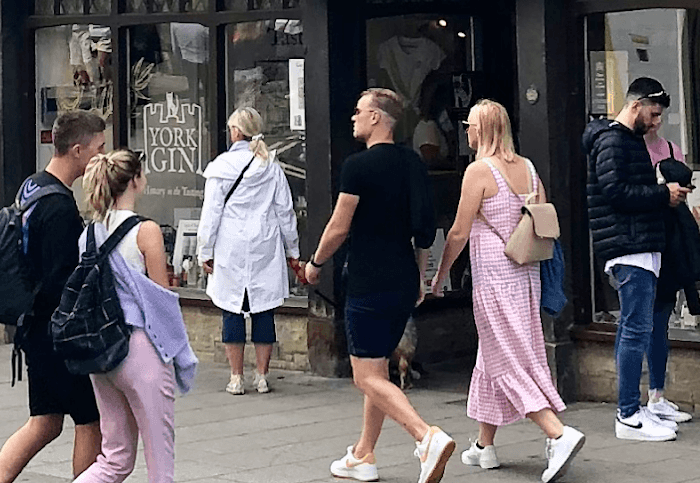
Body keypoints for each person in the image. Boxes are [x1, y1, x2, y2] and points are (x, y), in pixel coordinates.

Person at [429, 99, 586, 482]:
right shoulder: (530, 170)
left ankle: (558, 433)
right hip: (526, 275)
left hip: (494, 280)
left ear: (480, 130)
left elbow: (459, 231)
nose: (465, 131)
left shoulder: (478, 172)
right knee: (497, 354)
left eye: (469, 125)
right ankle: (484, 446)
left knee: (507, 361)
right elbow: (543, 218)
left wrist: (440, 275)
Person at [304, 89, 456, 483]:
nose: (353, 117)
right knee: (379, 370)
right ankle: (363, 454)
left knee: (364, 375)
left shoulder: (358, 167)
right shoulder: (412, 162)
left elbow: (339, 225)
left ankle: (426, 437)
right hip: (404, 274)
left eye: (359, 111)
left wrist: (315, 263)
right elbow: (425, 226)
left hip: (369, 278)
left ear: (376, 118)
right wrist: (422, 274)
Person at [0, 111, 107, 483]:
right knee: (89, 419)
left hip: (33, 329)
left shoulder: (33, 187)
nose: (103, 154)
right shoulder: (60, 208)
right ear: (78, 150)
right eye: (99, 148)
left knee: (46, 421)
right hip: (57, 335)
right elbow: (60, 281)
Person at [74, 150, 198, 483]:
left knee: (114, 459)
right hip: (141, 347)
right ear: (134, 181)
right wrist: (177, 353)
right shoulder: (146, 231)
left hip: (102, 352)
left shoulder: (88, 234)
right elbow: (160, 300)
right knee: (160, 463)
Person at [582, 77, 690, 442]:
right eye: (654, 114)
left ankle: (633, 408)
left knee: (634, 328)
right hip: (629, 245)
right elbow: (615, 192)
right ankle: (628, 413)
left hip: (635, 243)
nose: (657, 122)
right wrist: (663, 193)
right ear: (637, 104)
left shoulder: (622, 140)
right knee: (635, 329)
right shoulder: (613, 140)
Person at [198, 107, 300, 395]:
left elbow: (212, 213)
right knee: (263, 310)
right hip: (264, 245)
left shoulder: (220, 168)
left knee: (231, 309)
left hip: (230, 245)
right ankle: (263, 376)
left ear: (236, 132)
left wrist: (205, 250)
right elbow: (285, 212)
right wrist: (293, 250)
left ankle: (235, 377)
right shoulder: (271, 167)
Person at [642, 124, 695, 426]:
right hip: (646, 243)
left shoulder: (673, 149)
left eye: (660, 113)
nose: (656, 120)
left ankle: (657, 394)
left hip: (671, 241)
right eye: (652, 112)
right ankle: (636, 403)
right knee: (643, 323)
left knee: (662, 320)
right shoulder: (632, 151)